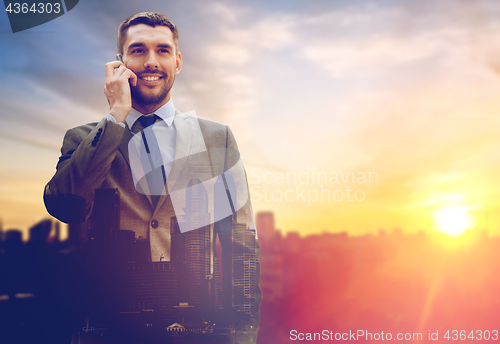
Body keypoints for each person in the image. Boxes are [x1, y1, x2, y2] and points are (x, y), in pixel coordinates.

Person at [44, 11, 260, 341]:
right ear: (119, 63)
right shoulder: (83, 139)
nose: (151, 62)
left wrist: (241, 336)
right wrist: (116, 116)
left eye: (162, 51)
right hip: (108, 329)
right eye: (138, 50)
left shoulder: (217, 139)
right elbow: (66, 207)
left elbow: (240, 246)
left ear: (177, 61)